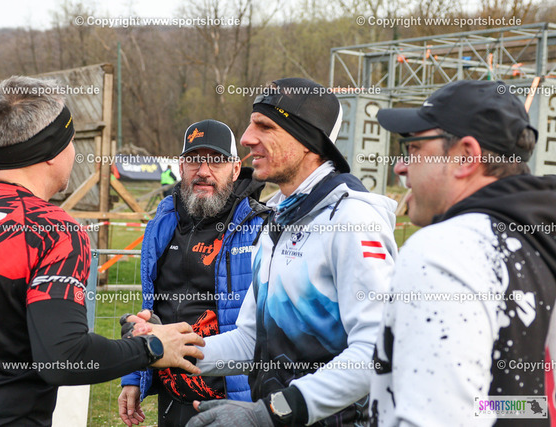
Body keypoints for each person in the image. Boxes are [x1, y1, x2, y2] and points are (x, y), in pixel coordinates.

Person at [0, 76, 204, 425]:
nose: (74, 153)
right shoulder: (54, 231)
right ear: (53, 151)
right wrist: (153, 347)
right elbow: (62, 357)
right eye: (71, 142)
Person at [177, 77, 398, 426]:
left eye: (264, 126)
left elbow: (377, 350)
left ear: (307, 140)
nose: (246, 138)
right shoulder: (278, 218)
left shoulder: (352, 219)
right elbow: (250, 340)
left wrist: (272, 413)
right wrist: (167, 349)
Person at [370, 80, 556, 425]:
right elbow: (533, 404)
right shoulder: (540, 238)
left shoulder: (443, 251)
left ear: (466, 157)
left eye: (412, 148)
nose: (400, 167)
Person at [118, 119, 269, 426]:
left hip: (234, 403)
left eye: (216, 161)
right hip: (173, 399)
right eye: (194, 160)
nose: (203, 171)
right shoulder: (162, 223)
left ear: (235, 169)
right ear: (181, 166)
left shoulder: (260, 228)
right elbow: (150, 309)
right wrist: (133, 376)